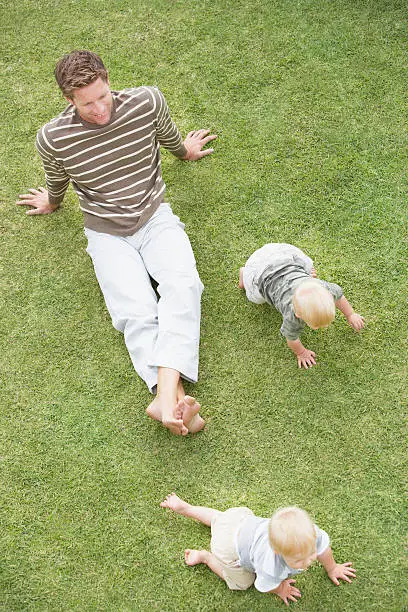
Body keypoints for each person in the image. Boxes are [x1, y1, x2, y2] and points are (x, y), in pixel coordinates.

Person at [17, 50, 217, 435]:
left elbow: (168, 135)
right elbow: (57, 178)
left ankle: (164, 399)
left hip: (155, 216)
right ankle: (170, 399)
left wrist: (184, 152)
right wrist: (52, 202)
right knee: (135, 311)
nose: (99, 109)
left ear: (108, 80)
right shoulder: (53, 137)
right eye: (87, 103)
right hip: (105, 232)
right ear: (68, 100)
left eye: (102, 96)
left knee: (184, 285)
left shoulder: (146, 101)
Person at [161, 493, 356, 606]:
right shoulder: (270, 565)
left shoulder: (311, 534)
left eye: (310, 553)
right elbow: (265, 585)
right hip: (228, 548)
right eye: (298, 561)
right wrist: (281, 588)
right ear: (278, 553)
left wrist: (332, 568)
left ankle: (186, 507)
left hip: (238, 521)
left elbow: (323, 549)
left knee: (219, 520)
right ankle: (205, 557)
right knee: (243, 582)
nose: (308, 561)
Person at [239, 243, 365, 369]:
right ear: (298, 314)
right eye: (316, 325)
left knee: (307, 265)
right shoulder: (292, 316)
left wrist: (350, 314)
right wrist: (301, 353)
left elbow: (340, 297)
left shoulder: (326, 289)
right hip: (260, 271)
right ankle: (244, 275)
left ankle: (306, 273)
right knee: (256, 297)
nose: (325, 326)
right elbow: (292, 339)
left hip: (283, 256)